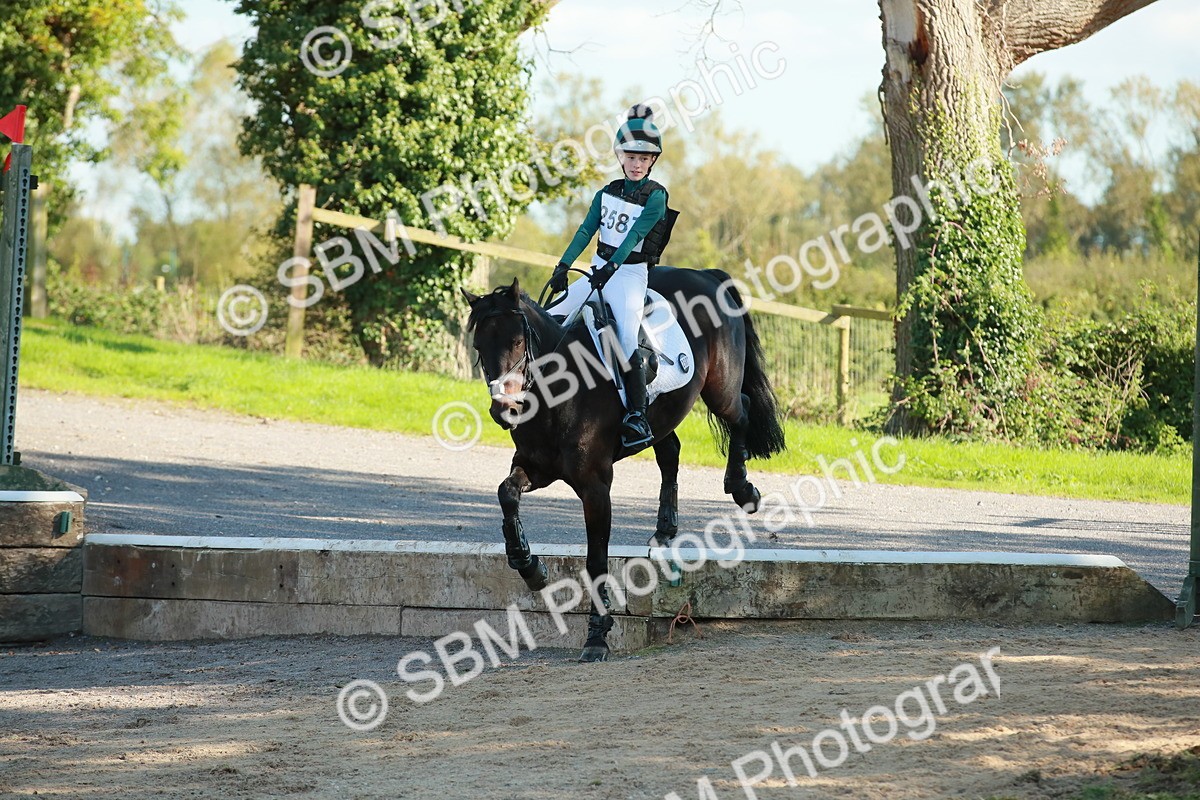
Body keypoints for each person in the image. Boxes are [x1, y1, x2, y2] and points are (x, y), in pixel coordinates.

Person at [548, 103, 676, 452]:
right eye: (631, 157)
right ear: (621, 157)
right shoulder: (605, 193)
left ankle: (637, 414)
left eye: (643, 158)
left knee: (626, 336)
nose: (636, 163)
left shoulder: (657, 196)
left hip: (629, 274)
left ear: (652, 161)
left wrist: (613, 266)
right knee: (551, 316)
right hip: (596, 268)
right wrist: (563, 266)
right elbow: (586, 230)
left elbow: (635, 236)